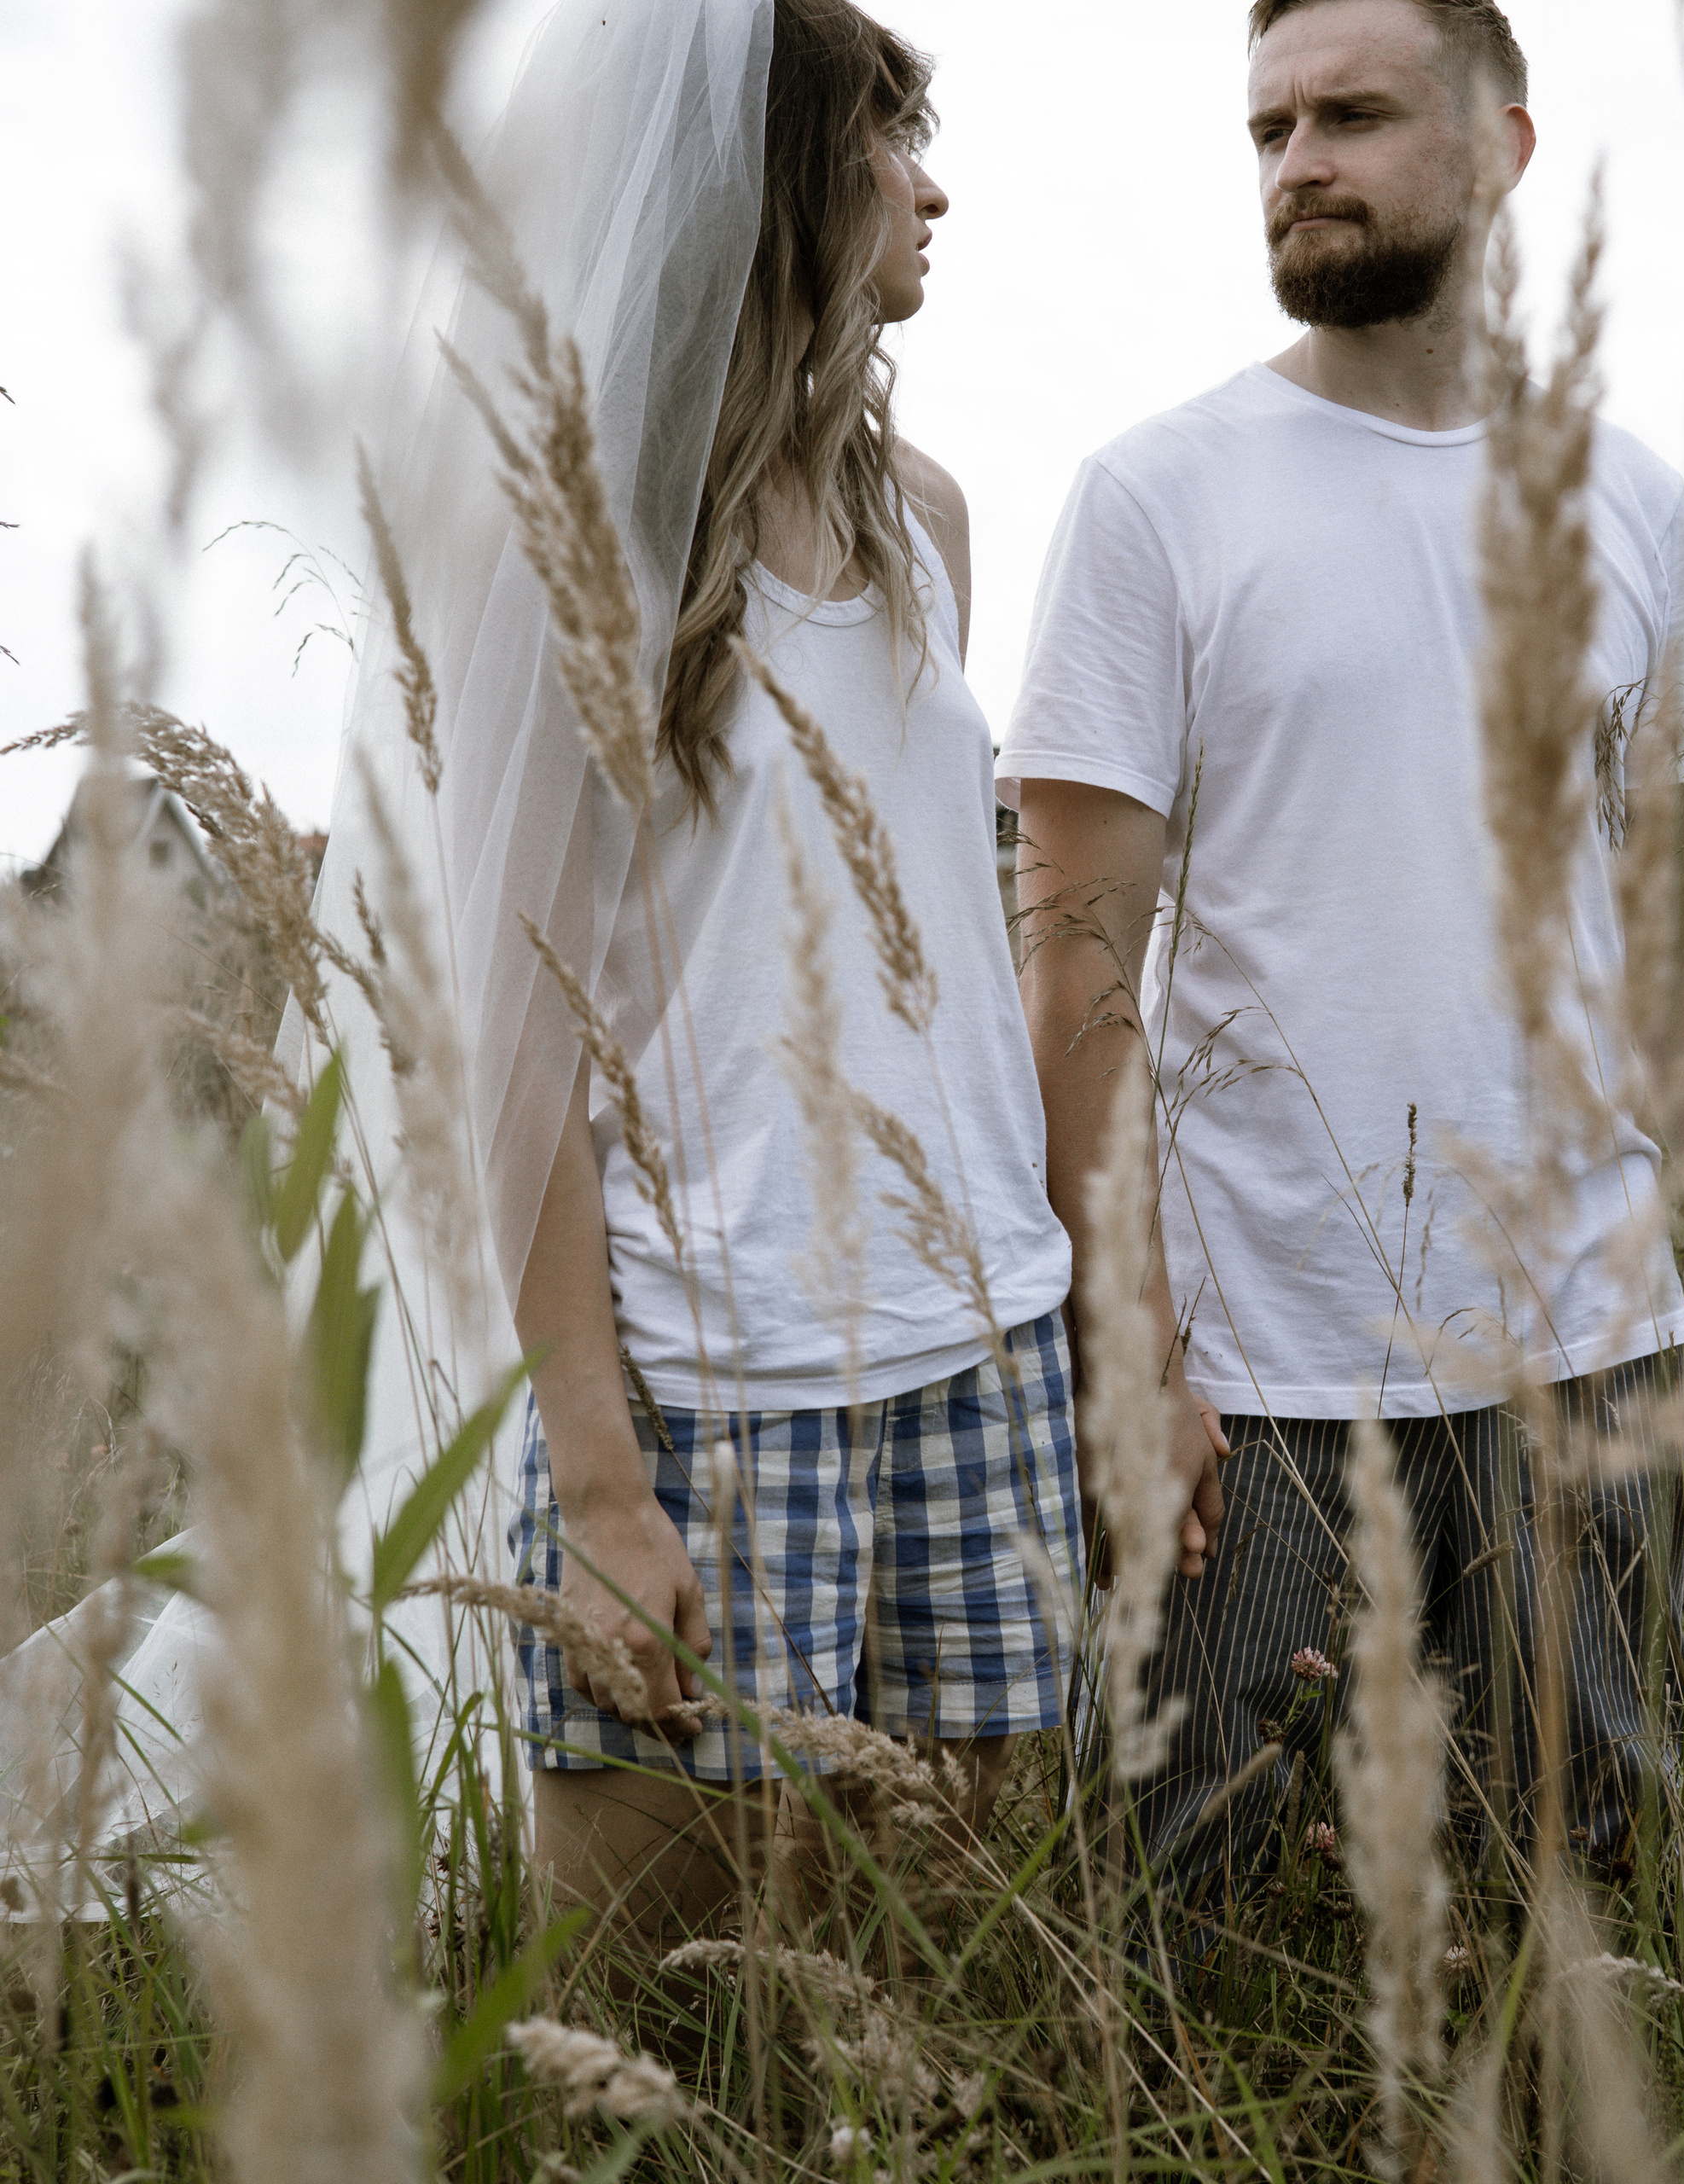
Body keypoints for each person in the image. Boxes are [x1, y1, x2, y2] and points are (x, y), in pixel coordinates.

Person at [1003, 0, 1684, 1909]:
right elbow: (1077, 967)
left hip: (1589, 1351)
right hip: (1263, 1360)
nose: (1298, 163)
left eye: (1351, 115)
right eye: (1270, 128)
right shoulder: (1154, 496)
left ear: (1503, 148)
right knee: (1203, 1892)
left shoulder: (1625, 504)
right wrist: (1138, 1356)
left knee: (1585, 1892)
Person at [456, 0, 1099, 1939]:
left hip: (977, 1334)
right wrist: (592, 1474)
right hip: (708, 1371)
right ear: (770, 190)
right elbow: (506, 1050)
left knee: (925, 1962)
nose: (933, 186)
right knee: (653, 1992)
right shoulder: (594, 541)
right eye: (888, 141)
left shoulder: (932, 527)